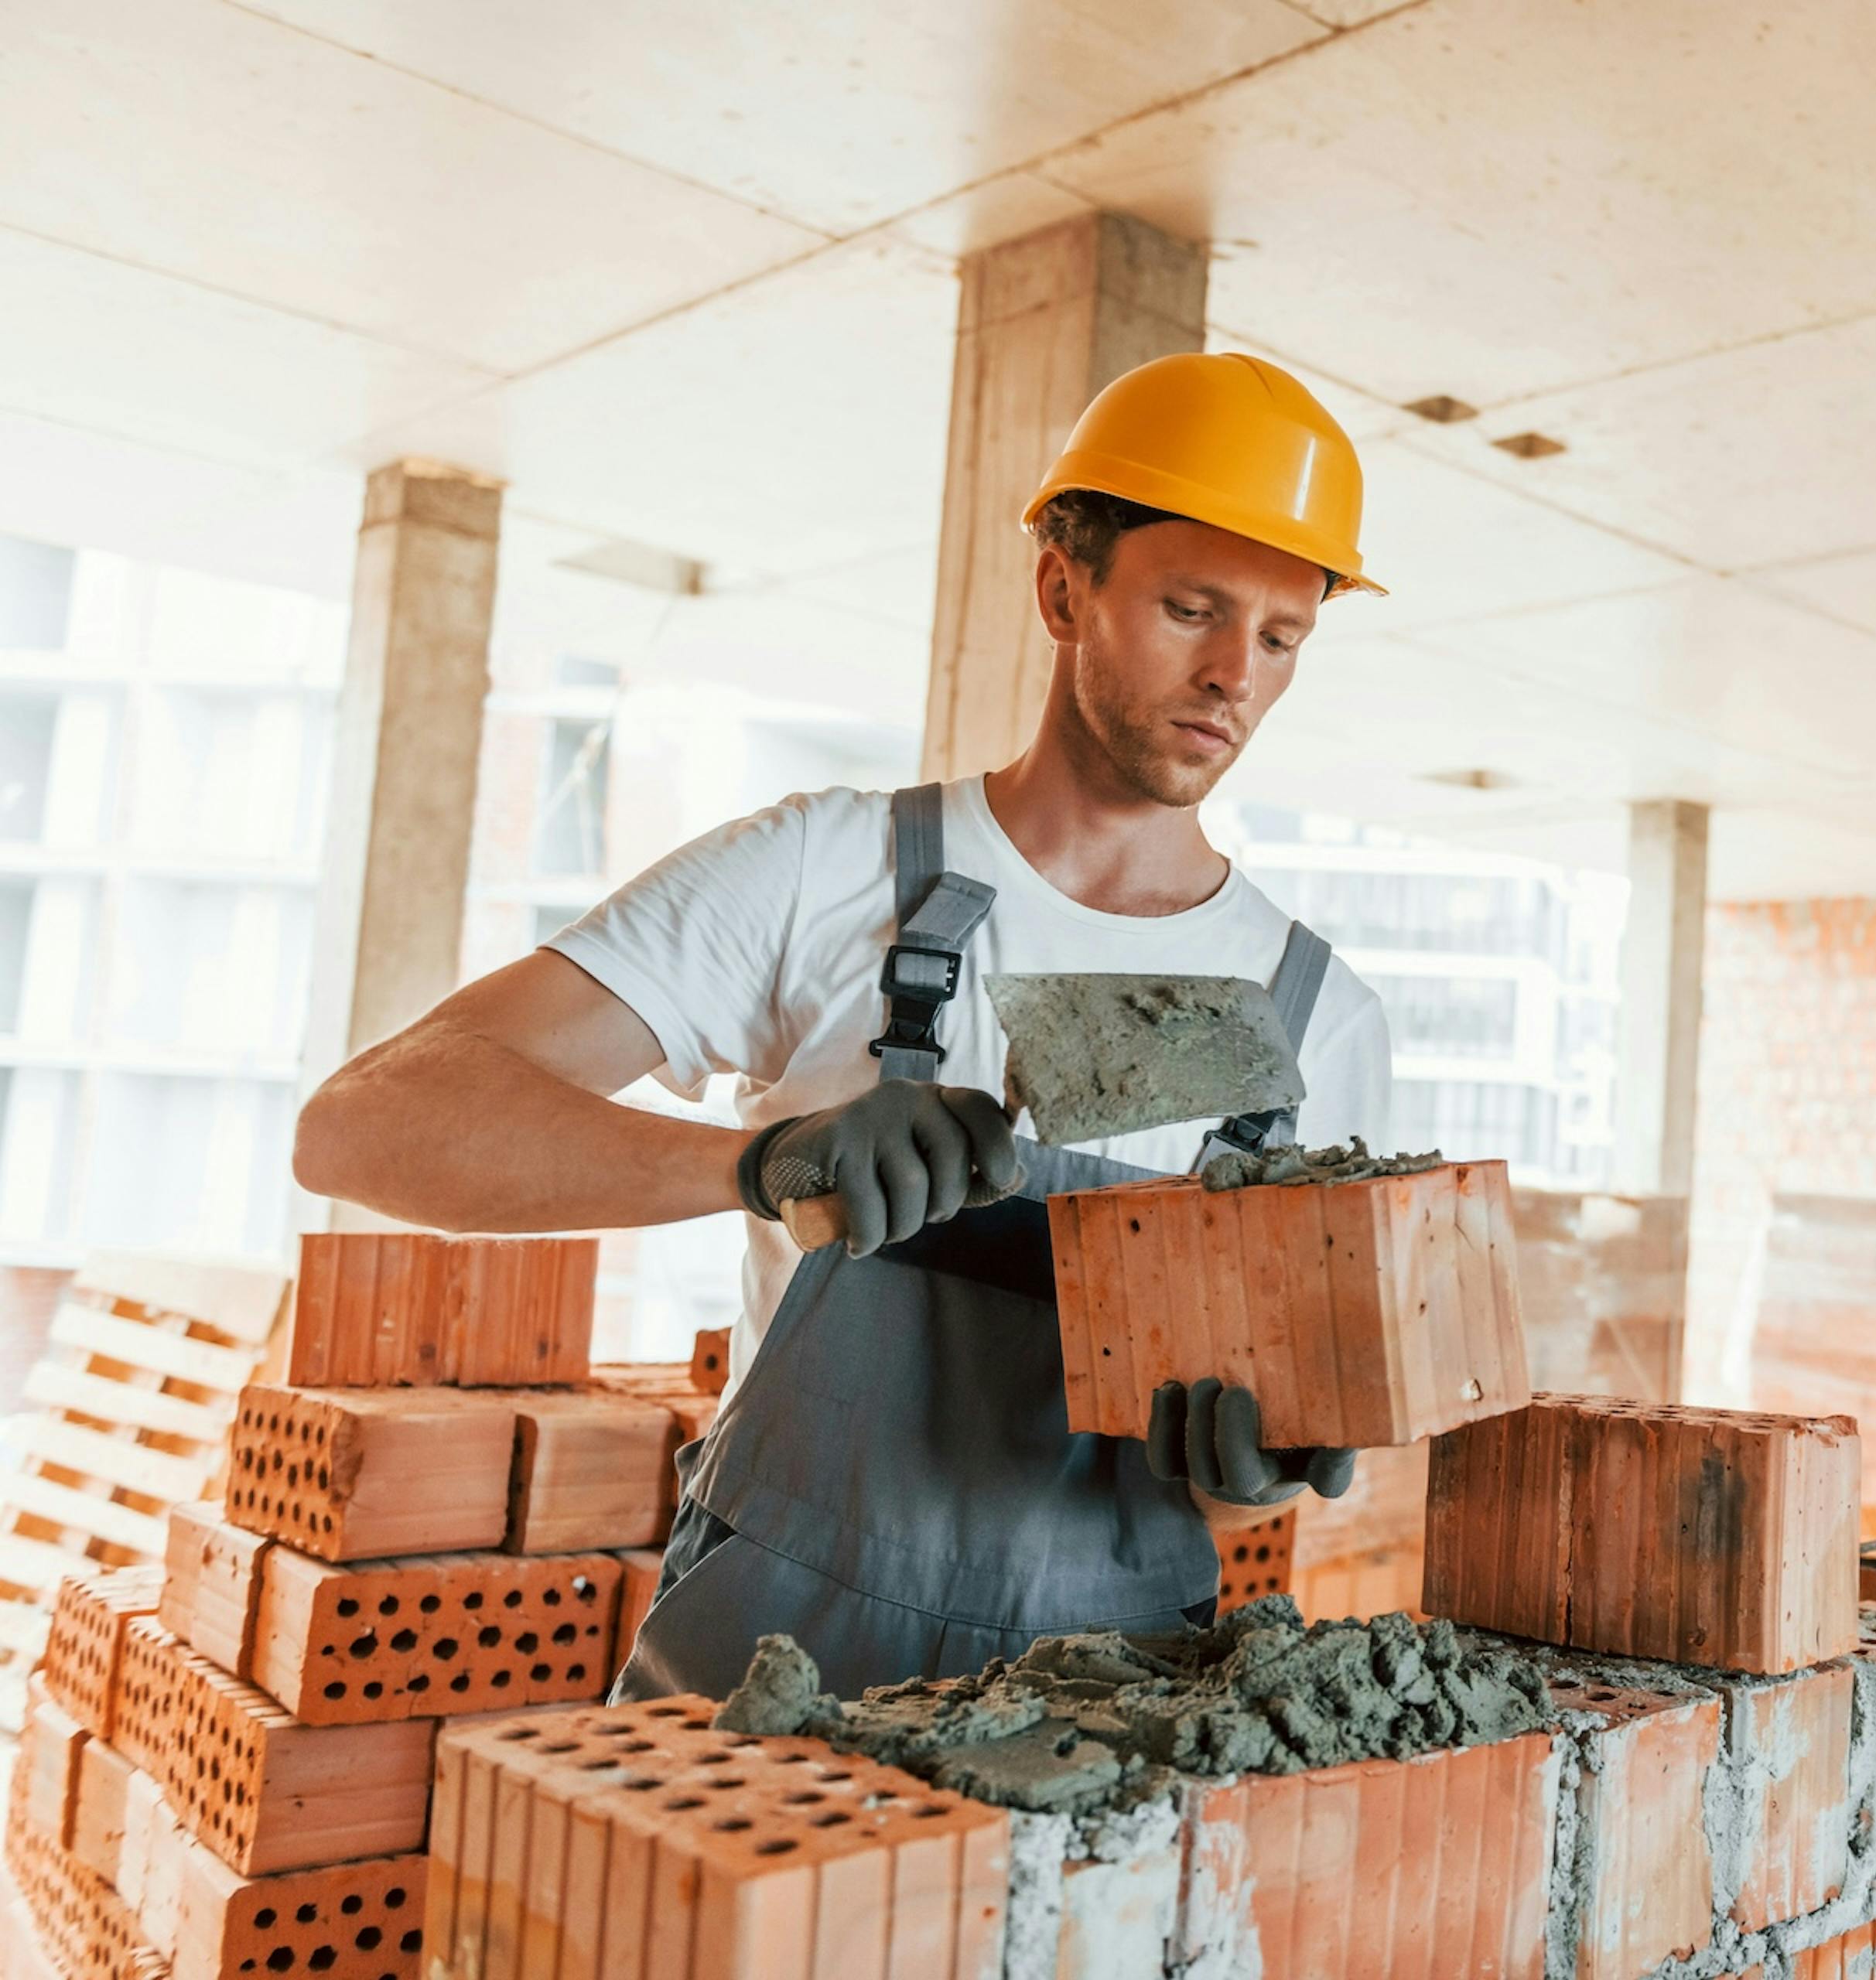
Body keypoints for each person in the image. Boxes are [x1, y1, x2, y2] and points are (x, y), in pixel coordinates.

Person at [292, 352, 1394, 1698]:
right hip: (770, 1668)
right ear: (1064, 588)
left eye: (1282, 638)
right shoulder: (827, 870)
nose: (1234, 674)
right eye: (1191, 609)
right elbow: (363, 1128)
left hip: (1113, 1704)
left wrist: (1249, 1484)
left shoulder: (1316, 1020)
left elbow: (1246, 1497)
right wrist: (754, 1167)